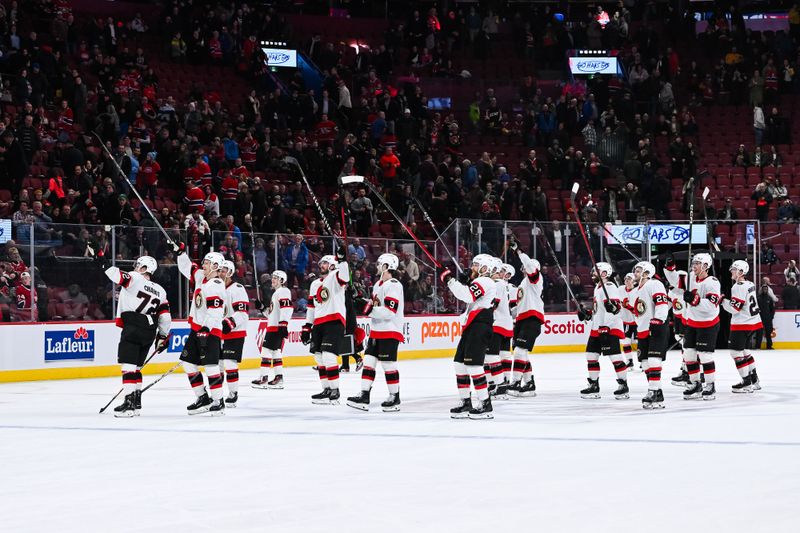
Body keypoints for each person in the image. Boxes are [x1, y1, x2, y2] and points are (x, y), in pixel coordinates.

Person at [95, 249, 171, 417]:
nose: (136, 267)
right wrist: (163, 336)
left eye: (138, 265)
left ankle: (129, 404)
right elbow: (165, 317)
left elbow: (116, 275)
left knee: (128, 367)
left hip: (133, 325)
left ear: (145, 268)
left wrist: (101, 259)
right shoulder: (161, 290)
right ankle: (136, 403)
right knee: (137, 368)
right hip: (150, 330)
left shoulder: (135, 278)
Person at [439, 254, 497, 419]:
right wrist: (463, 281)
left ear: (485, 268)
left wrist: (450, 280)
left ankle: (485, 403)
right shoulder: (480, 281)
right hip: (473, 325)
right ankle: (465, 401)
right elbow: (469, 292)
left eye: (476, 265)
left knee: (474, 366)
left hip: (480, 325)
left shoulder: (486, 281)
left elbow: (467, 295)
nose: (472, 267)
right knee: (459, 364)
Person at [347, 253, 404, 412]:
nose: (377, 266)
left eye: (380, 264)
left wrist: (368, 308)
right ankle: (364, 395)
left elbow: (389, 311)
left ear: (386, 266)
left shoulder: (393, 284)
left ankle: (395, 397)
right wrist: (359, 299)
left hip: (390, 331)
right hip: (377, 331)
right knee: (368, 363)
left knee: (388, 365)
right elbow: (373, 305)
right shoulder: (379, 284)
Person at [176, 246, 228, 415]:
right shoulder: (201, 278)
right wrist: (180, 253)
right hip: (196, 329)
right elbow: (188, 267)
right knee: (188, 364)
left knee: (211, 365)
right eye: (204, 262)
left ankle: (218, 401)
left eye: (206, 262)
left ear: (215, 266)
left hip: (210, 330)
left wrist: (206, 327)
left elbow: (216, 310)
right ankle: (202, 397)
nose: (203, 265)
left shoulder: (217, 284)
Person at [302, 249, 350, 405]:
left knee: (329, 356)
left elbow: (345, 277)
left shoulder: (335, 277)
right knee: (319, 357)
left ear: (332, 265)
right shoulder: (315, 284)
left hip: (334, 321)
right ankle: (326, 389)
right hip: (318, 323)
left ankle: (335, 390)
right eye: (320, 263)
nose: (321, 265)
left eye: (324, 262)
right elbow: (311, 307)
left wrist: (342, 261)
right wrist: (307, 326)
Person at [576, 262, 628, 400]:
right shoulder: (598, 288)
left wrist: (606, 327)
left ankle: (623, 385)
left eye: (596, 272)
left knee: (615, 357)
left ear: (604, 273)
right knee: (591, 356)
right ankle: (594, 385)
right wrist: (588, 314)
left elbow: (614, 309)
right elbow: (600, 310)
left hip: (608, 328)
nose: (592, 274)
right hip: (597, 327)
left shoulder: (609, 287)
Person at [680, 253, 722, 400]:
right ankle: (695, 383)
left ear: (705, 266)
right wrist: (669, 268)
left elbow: (711, 305)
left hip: (708, 323)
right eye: (694, 263)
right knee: (689, 354)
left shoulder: (712, 282)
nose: (694, 265)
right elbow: (676, 281)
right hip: (692, 322)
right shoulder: (691, 276)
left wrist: (695, 300)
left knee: (704, 355)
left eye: (697, 263)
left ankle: (710, 385)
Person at [506, 238, 544, 398]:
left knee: (520, 351)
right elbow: (517, 306)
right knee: (521, 353)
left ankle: (515, 382)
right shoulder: (523, 283)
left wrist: (519, 252)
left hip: (532, 319)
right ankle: (528, 384)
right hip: (522, 320)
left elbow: (530, 266)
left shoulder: (535, 280)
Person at [631, 262, 670, 409]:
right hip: (643, 330)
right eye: (635, 270)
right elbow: (638, 311)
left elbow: (662, 303)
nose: (635, 273)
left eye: (639, 270)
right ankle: (657, 392)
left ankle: (652, 391)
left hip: (656, 327)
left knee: (654, 360)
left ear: (647, 273)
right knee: (645, 363)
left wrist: (658, 319)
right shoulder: (637, 290)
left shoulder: (655, 284)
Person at [721, 260, 762, 393]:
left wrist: (722, 301)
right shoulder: (750, 284)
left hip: (742, 324)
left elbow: (734, 309)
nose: (731, 271)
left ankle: (746, 382)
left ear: (741, 272)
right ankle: (754, 380)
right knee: (744, 350)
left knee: (735, 352)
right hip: (753, 322)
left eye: (734, 269)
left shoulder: (737, 286)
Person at [252, 271, 293, 389]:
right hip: (274, 326)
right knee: (276, 352)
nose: (273, 280)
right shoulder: (277, 293)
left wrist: (283, 324)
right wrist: (262, 308)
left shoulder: (283, 291)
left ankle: (263, 378)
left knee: (265, 351)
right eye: (273, 278)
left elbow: (288, 308)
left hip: (276, 327)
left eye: (276, 278)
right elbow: (271, 314)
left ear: (282, 281)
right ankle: (279, 377)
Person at [218, 260, 250, 407]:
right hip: (218, 332)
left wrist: (229, 323)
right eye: (219, 270)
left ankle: (233, 393)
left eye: (224, 270)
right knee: (216, 365)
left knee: (229, 363)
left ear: (230, 272)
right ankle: (217, 395)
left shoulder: (237, 288)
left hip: (235, 332)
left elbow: (243, 313)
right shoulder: (216, 288)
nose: (220, 273)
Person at [483, 257, 514, 399]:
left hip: (497, 324)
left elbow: (493, 304)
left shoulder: (497, 284)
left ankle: (495, 384)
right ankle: (505, 382)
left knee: (490, 356)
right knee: (504, 355)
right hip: (507, 323)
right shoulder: (507, 285)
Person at [619, 273, 638, 370]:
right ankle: (630, 361)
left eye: (629, 278)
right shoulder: (620, 289)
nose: (626, 280)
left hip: (638, 321)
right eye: (625, 278)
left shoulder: (638, 291)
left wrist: (629, 307)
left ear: (634, 281)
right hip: (626, 321)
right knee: (625, 342)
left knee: (641, 342)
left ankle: (644, 361)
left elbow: (639, 309)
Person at [755, 280, 776, 349]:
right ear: (762, 289)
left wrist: (771, 317)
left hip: (768, 319)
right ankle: (757, 346)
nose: (765, 290)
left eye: (766, 289)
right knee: (759, 333)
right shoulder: (758, 298)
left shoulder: (769, 298)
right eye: (764, 289)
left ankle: (769, 346)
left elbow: (772, 309)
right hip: (760, 319)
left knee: (768, 333)